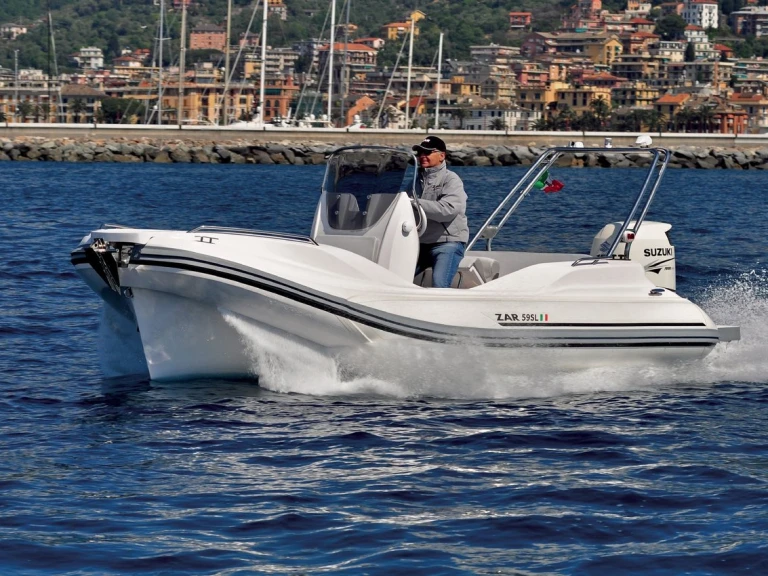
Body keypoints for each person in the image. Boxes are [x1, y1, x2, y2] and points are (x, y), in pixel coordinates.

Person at [412, 135, 469, 288]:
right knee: (395, 277)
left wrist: (414, 203)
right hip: (420, 243)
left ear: (442, 156)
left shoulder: (451, 179)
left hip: (448, 242)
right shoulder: (415, 180)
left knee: (439, 283)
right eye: (420, 153)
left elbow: (448, 210)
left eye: (427, 152)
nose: (422, 156)